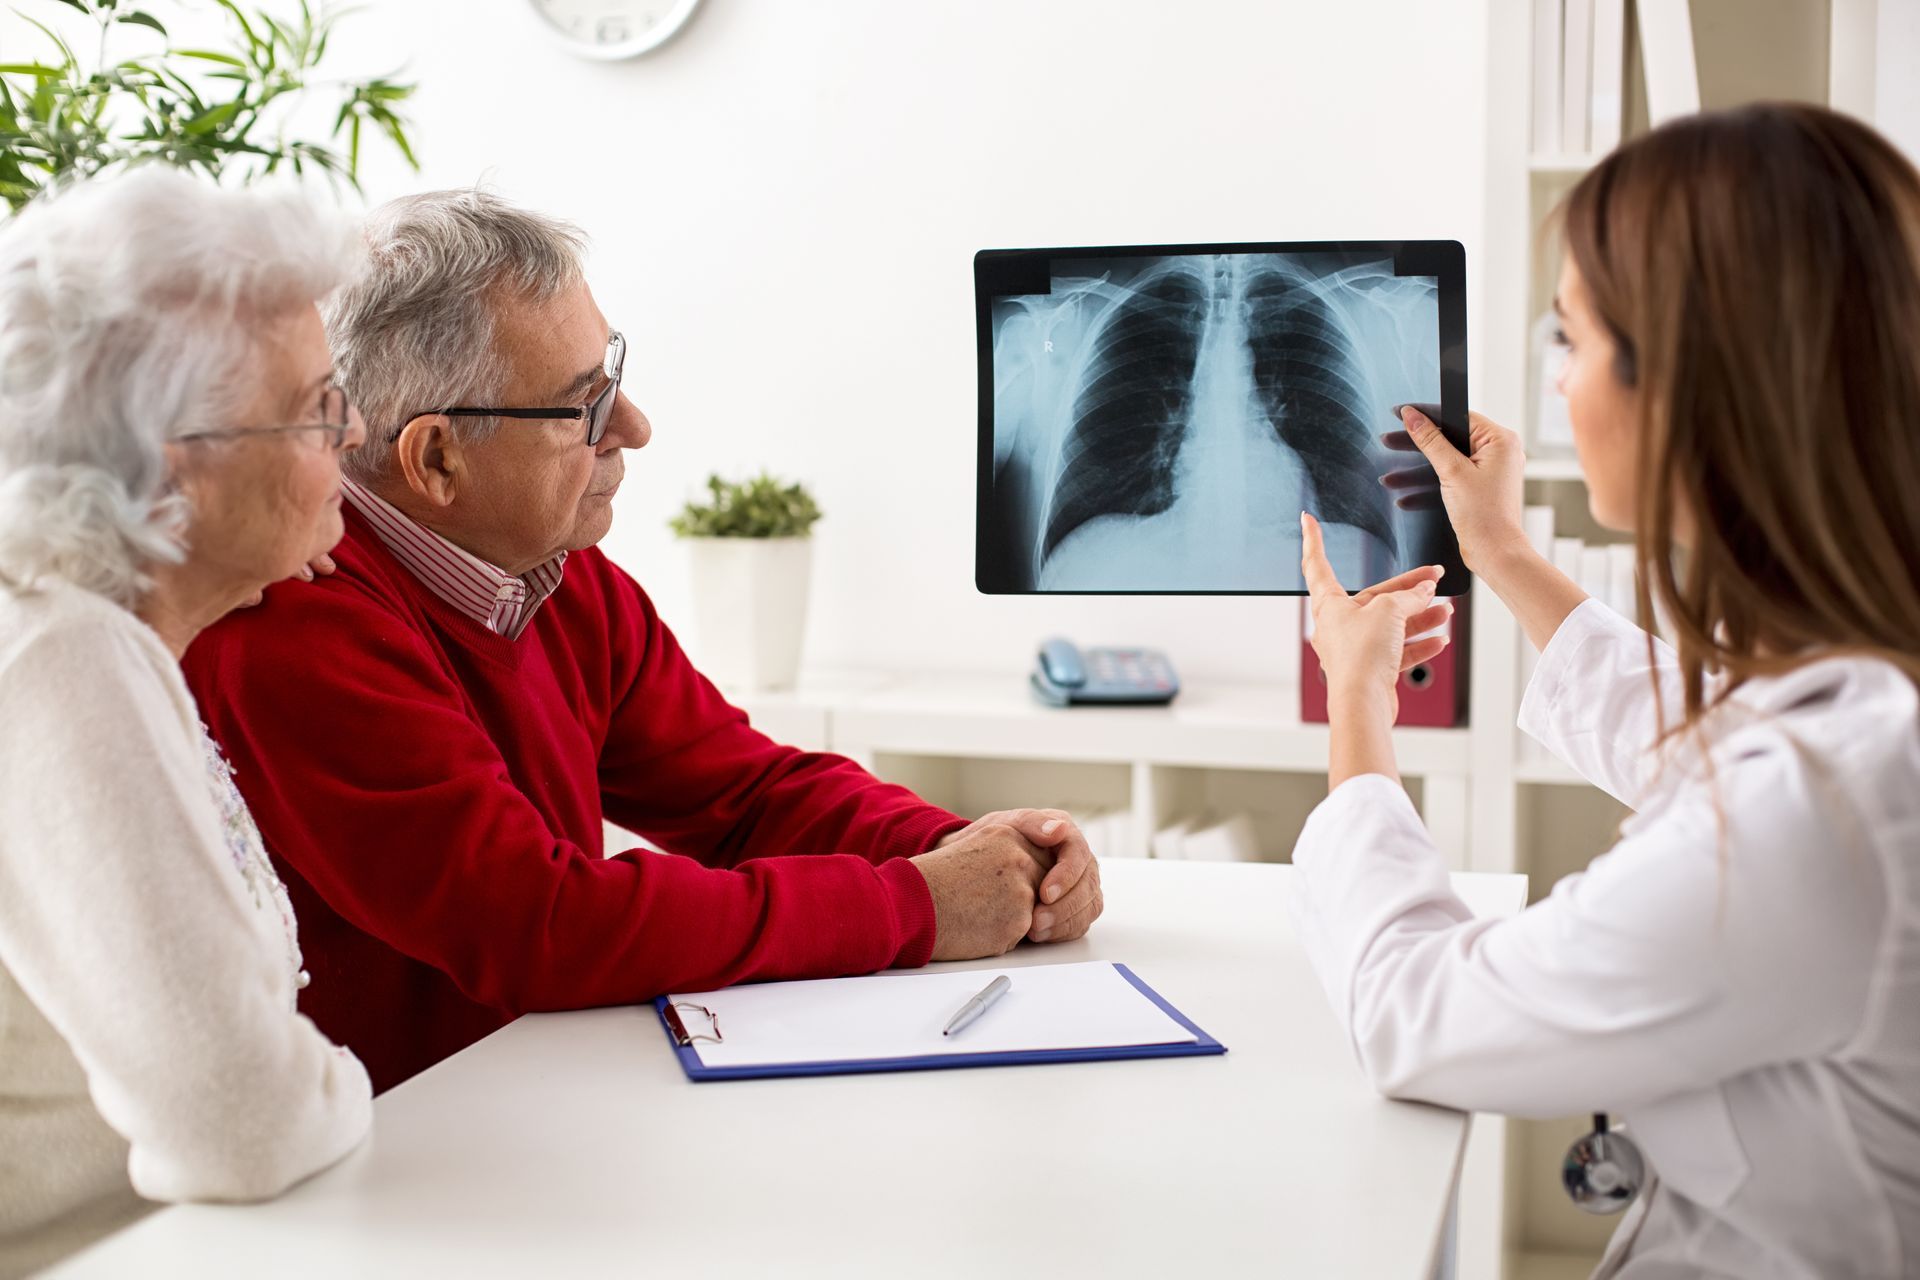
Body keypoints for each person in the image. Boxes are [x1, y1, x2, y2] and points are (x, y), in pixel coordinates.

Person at [183, 190, 1105, 1092]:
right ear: (435, 460)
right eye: (584, 406)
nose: (633, 427)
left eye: (612, 375)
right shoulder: (293, 624)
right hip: (393, 1169)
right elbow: (540, 924)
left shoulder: (554, 573)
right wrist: (919, 904)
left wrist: (974, 848)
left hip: (539, 1100)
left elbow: (743, 793)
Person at [1291, 102, 1920, 1278]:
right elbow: (1702, 748)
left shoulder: (1817, 810)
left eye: (1571, 340)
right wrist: (1504, 553)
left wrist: (1357, 703)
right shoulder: (1867, 694)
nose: (1560, 385)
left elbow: (1417, 1014)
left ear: (1687, 382)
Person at [0, 168, 374, 1276]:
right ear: (179, 465)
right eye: (315, 407)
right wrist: (341, 1077)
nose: (350, 437)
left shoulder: (94, 638)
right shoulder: (62, 657)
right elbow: (243, 1120)